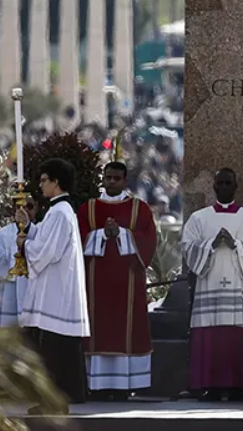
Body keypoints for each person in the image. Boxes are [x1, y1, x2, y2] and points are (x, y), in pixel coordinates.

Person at [181, 168, 243, 401]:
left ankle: (238, 387)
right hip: (209, 286)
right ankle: (210, 386)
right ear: (213, 187)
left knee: (236, 338)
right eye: (219, 183)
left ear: (236, 186)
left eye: (228, 183)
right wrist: (210, 244)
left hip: (239, 288)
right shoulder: (199, 218)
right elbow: (188, 247)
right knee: (210, 337)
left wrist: (236, 245)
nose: (224, 187)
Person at [77, 161, 157, 401]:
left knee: (125, 330)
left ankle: (124, 386)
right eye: (107, 177)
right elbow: (77, 239)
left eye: (116, 178)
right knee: (97, 329)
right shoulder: (87, 208)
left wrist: (121, 234)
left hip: (127, 282)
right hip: (95, 285)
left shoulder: (139, 209)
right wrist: (102, 234)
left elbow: (149, 240)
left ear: (125, 181)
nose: (111, 182)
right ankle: (97, 385)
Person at [16, 158, 90, 414]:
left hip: (57, 293)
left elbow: (48, 252)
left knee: (55, 349)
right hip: (58, 289)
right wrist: (30, 227)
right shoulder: (59, 211)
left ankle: (53, 402)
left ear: (56, 182)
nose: (41, 184)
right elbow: (48, 240)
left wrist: (25, 244)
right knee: (59, 348)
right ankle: (62, 398)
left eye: (44, 180)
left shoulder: (60, 212)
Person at [0, 194, 38, 327]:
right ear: (13, 210)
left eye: (30, 207)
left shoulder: (41, 231)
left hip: (34, 288)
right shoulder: (3, 233)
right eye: (20, 207)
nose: (25, 211)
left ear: (37, 209)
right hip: (9, 289)